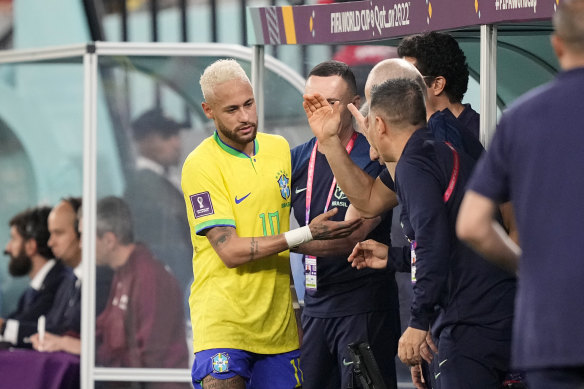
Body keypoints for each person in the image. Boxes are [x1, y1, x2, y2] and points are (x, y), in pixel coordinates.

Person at [304, 72, 516, 388]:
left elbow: (433, 242)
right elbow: (444, 239)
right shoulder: (431, 150)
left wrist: (419, 323)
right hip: (490, 314)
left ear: (379, 125)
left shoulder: (414, 165)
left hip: (470, 321)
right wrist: (395, 257)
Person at [181, 58, 362, 389]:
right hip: (224, 326)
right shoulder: (200, 166)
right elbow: (231, 251)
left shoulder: (279, 150)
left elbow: (283, 238)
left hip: (279, 330)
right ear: (208, 110)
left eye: (248, 103)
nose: (246, 116)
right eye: (231, 109)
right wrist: (308, 231)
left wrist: (346, 243)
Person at [457, 1, 584, 387]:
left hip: (550, 333)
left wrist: (526, 266)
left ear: (557, 45)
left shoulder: (520, 119)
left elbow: (472, 225)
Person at [290, 60, 400, 389]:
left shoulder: (373, 154)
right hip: (313, 308)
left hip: (362, 308)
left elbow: (350, 236)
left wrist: (281, 242)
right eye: (311, 101)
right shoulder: (296, 158)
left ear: (352, 105)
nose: (318, 110)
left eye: (329, 103)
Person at [94, 196, 189, 388]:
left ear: (109, 240)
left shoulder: (150, 277)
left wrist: (92, 353)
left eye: (86, 237)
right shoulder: (123, 274)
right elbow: (104, 329)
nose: (81, 246)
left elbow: (148, 357)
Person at [31, 197, 112, 354]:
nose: (50, 242)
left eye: (58, 233)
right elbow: (54, 326)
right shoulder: (70, 278)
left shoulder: (102, 279)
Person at [125, 108, 193, 294]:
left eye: (176, 136)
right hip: (162, 287)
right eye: (167, 136)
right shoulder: (144, 186)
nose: (176, 143)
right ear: (144, 141)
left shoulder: (162, 181)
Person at [0, 206, 70, 348]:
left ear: (31, 246)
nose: (7, 248)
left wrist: (3, 327)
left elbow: (53, 330)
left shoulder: (60, 282)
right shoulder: (31, 291)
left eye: (13, 239)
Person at [397, 31, 480, 142]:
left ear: (437, 85)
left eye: (409, 79)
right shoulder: (413, 129)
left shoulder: (482, 133)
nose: (400, 88)